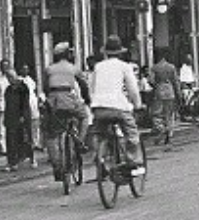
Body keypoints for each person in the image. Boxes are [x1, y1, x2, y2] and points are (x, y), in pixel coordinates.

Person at [90, 35, 145, 173]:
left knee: (99, 133)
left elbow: (92, 88)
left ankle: (100, 157)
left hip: (99, 107)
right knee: (131, 132)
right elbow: (132, 89)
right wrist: (138, 104)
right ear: (120, 52)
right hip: (118, 107)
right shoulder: (125, 66)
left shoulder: (98, 67)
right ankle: (132, 161)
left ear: (106, 52)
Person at [42, 43, 90, 182]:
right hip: (69, 100)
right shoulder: (73, 68)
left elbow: (45, 87)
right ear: (67, 55)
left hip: (53, 102)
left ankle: (56, 164)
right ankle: (80, 142)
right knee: (84, 117)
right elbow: (83, 85)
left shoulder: (49, 69)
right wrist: (87, 99)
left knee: (51, 133)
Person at [2, 67, 36, 171]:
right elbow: (7, 104)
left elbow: (25, 103)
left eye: (11, 77)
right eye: (8, 78)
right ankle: (12, 162)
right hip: (11, 117)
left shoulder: (23, 87)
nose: (10, 79)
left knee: (25, 138)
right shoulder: (8, 89)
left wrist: (23, 116)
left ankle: (31, 158)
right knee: (11, 140)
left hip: (22, 116)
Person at [149, 49, 182, 146]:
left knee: (157, 113)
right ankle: (169, 133)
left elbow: (151, 80)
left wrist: (156, 85)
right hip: (170, 91)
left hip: (159, 92)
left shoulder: (154, 68)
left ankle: (161, 129)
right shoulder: (171, 67)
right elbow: (176, 82)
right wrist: (178, 94)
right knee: (169, 114)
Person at [20, 64, 44, 152]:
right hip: (25, 103)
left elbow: (34, 90)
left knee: (36, 123)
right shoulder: (19, 80)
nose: (25, 71)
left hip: (33, 102)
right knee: (26, 124)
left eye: (27, 69)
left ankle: (36, 142)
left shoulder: (31, 80)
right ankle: (27, 143)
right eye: (23, 69)